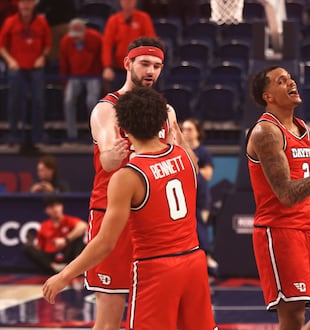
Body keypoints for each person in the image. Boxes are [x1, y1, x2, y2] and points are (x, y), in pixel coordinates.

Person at [43, 86, 218, 330]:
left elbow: (105, 243)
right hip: (194, 263)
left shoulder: (129, 176)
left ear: (121, 129)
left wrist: (64, 276)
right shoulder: (184, 157)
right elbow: (193, 165)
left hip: (157, 268)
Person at [78, 36, 176, 330]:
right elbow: (107, 161)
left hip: (151, 221)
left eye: (157, 66)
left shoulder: (166, 112)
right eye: (145, 63)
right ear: (128, 63)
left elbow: (182, 158)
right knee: (108, 319)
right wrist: (116, 152)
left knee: (152, 317)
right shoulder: (107, 109)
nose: (151, 71)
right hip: (112, 217)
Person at [246, 66, 310, 329]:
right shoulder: (266, 133)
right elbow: (286, 195)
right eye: (281, 81)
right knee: (292, 318)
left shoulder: (303, 129)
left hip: (308, 228)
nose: (291, 83)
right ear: (268, 96)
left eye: (290, 79)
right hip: (279, 231)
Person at [0, 0, 51, 147]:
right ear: (19, 5)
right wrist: (10, 61)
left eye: (28, 3)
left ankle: (38, 135)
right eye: (23, 3)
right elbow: (1, 45)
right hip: (16, 68)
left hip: (36, 67)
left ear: (33, 5)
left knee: (39, 101)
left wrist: (42, 57)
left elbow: (47, 45)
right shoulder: (10, 21)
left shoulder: (41, 22)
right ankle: (14, 134)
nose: (26, 6)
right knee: (14, 101)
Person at [181, 118, 218, 273]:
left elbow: (208, 174)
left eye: (190, 129)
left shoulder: (203, 152)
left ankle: (208, 263)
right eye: (184, 129)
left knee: (200, 229)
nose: (186, 132)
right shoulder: (179, 150)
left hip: (200, 198)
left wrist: (190, 168)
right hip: (184, 198)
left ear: (197, 132)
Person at [60, 18, 103, 141]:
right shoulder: (66, 41)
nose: (76, 39)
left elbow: (102, 58)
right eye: (73, 36)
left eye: (78, 36)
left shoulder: (96, 38)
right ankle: (71, 135)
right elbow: (64, 64)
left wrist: (102, 79)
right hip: (74, 76)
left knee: (92, 102)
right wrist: (64, 83)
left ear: (85, 32)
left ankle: (95, 135)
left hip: (93, 75)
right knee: (68, 100)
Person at [24, 195, 87, 274]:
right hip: (52, 258)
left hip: (68, 254)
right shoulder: (44, 226)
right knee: (28, 248)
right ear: (46, 210)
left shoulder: (69, 220)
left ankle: (72, 267)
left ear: (62, 207)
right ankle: (54, 268)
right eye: (51, 207)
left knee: (79, 236)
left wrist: (65, 240)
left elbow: (83, 226)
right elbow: (40, 248)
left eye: (57, 205)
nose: (55, 209)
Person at [102, 0, 156, 91]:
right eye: (125, 1)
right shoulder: (113, 20)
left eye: (130, 1)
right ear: (120, 2)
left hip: (139, 68)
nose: (127, 2)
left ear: (135, 2)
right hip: (118, 68)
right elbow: (107, 45)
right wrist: (107, 67)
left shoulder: (143, 18)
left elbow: (151, 42)